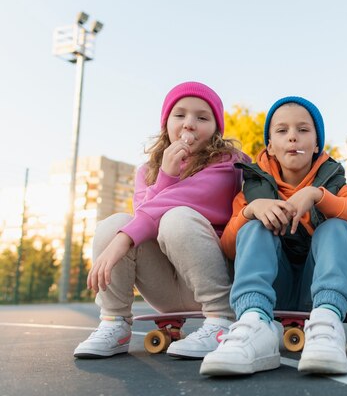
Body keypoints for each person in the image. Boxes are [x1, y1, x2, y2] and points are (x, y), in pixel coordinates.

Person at [200, 96, 347, 376]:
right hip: (271, 291)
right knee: (255, 225)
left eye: (303, 130)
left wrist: (319, 196)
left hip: (315, 291)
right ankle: (253, 323)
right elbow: (229, 248)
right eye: (282, 131)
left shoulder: (333, 184)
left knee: (338, 225)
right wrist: (250, 211)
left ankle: (327, 324)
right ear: (270, 145)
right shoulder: (252, 190)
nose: (293, 137)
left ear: (317, 144)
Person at [74, 81, 247, 359]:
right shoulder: (148, 171)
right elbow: (146, 218)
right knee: (115, 224)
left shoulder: (230, 161)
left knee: (175, 218)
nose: (189, 124)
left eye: (202, 117)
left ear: (216, 128)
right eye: (180, 115)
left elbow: (181, 201)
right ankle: (114, 324)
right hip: (165, 287)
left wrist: (124, 239)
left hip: (214, 280)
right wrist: (164, 175)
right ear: (167, 122)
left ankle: (220, 322)